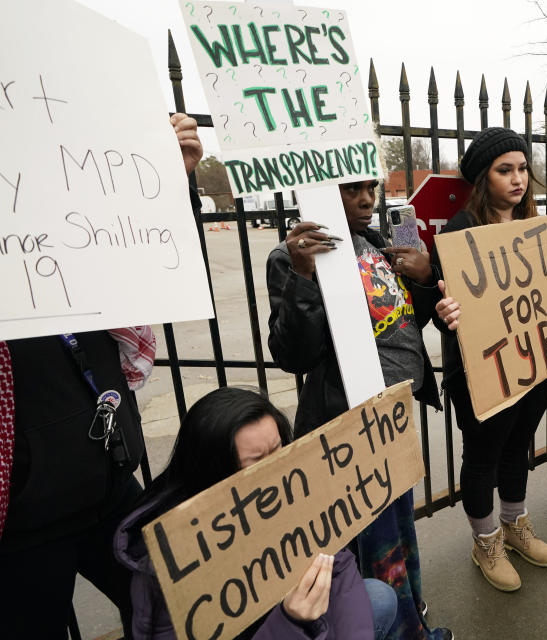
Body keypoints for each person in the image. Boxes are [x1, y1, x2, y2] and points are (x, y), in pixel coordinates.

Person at [0, 114, 201, 639]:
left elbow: (153, 260)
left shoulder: (75, 224)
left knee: (176, 613)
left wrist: (166, 186)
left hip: (108, 480)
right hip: (25, 516)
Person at [266, 181, 450, 640]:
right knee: (368, 548)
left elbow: (401, 321)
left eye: (371, 188)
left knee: (398, 534)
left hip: (393, 419)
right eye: (353, 190)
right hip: (349, 428)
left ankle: (408, 620)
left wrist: (425, 279)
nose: (368, 199)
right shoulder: (290, 257)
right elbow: (294, 353)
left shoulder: (371, 243)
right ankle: (392, 628)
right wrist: (304, 276)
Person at [114, 387, 396, 639]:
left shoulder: (294, 489)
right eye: (257, 461)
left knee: (377, 596)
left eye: (278, 449)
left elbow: (340, 567)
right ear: (215, 472)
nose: (277, 469)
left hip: (308, 627)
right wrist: (290, 623)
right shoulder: (172, 559)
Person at [432, 127, 547, 592]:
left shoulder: (535, 226)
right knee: (484, 453)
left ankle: (514, 524)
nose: (518, 179)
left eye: (523, 168)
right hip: (481, 368)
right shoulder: (461, 230)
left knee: (519, 442)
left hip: (534, 359)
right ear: (485, 178)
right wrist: (443, 310)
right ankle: (485, 540)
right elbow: (441, 299)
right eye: (505, 170)